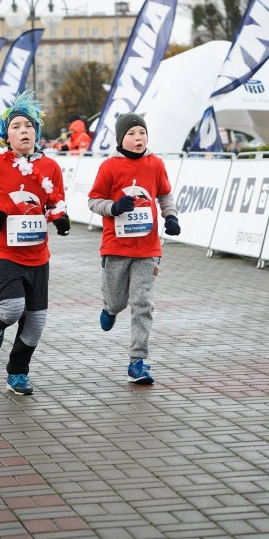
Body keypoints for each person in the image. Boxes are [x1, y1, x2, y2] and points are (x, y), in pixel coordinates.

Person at [0, 90, 71, 396]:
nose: (24, 131)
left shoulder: (51, 168)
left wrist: (61, 218)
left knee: (36, 323)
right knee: (11, 308)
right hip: (4, 250)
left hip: (38, 256)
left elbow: (55, 202)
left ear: (37, 132)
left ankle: (18, 372)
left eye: (29, 126)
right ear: (6, 134)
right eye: (17, 126)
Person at [87, 113, 181, 385]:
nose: (138, 138)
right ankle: (109, 308)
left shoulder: (155, 164)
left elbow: (164, 194)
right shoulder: (110, 167)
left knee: (142, 303)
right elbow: (94, 201)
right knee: (118, 301)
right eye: (131, 133)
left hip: (148, 248)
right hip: (116, 247)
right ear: (121, 138)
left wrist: (170, 216)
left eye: (142, 132)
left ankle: (137, 362)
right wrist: (113, 207)